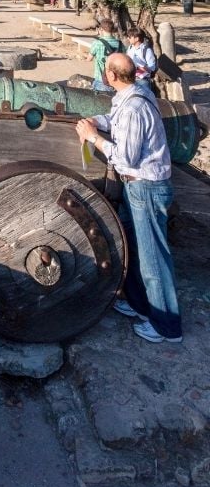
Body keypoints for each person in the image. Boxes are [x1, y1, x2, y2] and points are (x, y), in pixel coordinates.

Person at [75, 53, 180, 343]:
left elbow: (127, 157)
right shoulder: (133, 96)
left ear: (110, 76)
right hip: (136, 188)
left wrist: (95, 139)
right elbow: (115, 121)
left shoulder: (134, 107)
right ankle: (141, 306)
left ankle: (166, 326)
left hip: (144, 186)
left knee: (153, 259)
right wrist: (93, 123)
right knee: (131, 247)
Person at [86, 20, 124, 93]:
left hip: (101, 79)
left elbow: (89, 59)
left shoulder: (97, 43)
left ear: (101, 29)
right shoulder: (120, 44)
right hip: (116, 81)